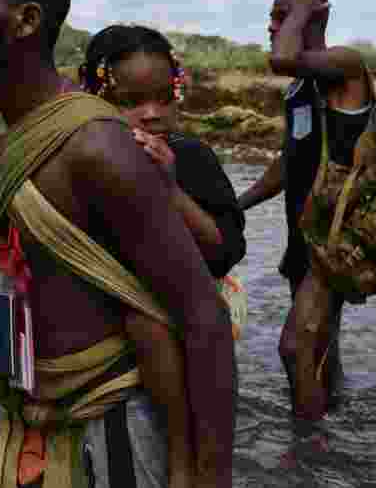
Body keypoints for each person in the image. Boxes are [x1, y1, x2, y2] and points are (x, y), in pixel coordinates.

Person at [0, 0, 236, 488]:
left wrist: (203, 476)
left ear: (26, 20)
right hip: (31, 418)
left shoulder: (95, 146)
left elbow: (203, 317)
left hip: (112, 427)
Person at [78, 24, 247, 487]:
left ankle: (183, 459)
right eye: (131, 102)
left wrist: (169, 188)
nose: (151, 115)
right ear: (93, 97)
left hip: (192, 316)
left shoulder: (192, 157)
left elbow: (224, 247)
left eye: (163, 98)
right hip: (117, 338)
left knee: (145, 318)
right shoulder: (83, 161)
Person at [237, 0, 375, 421]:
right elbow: (290, 159)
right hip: (305, 238)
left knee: (295, 347)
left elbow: (282, 59)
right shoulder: (300, 88)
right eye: (273, 18)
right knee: (318, 347)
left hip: (337, 242)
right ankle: (336, 421)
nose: (274, 28)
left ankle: (309, 454)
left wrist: (302, 9)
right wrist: (239, 203)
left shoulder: (346, 69)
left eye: (282, 17)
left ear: (315, 16)